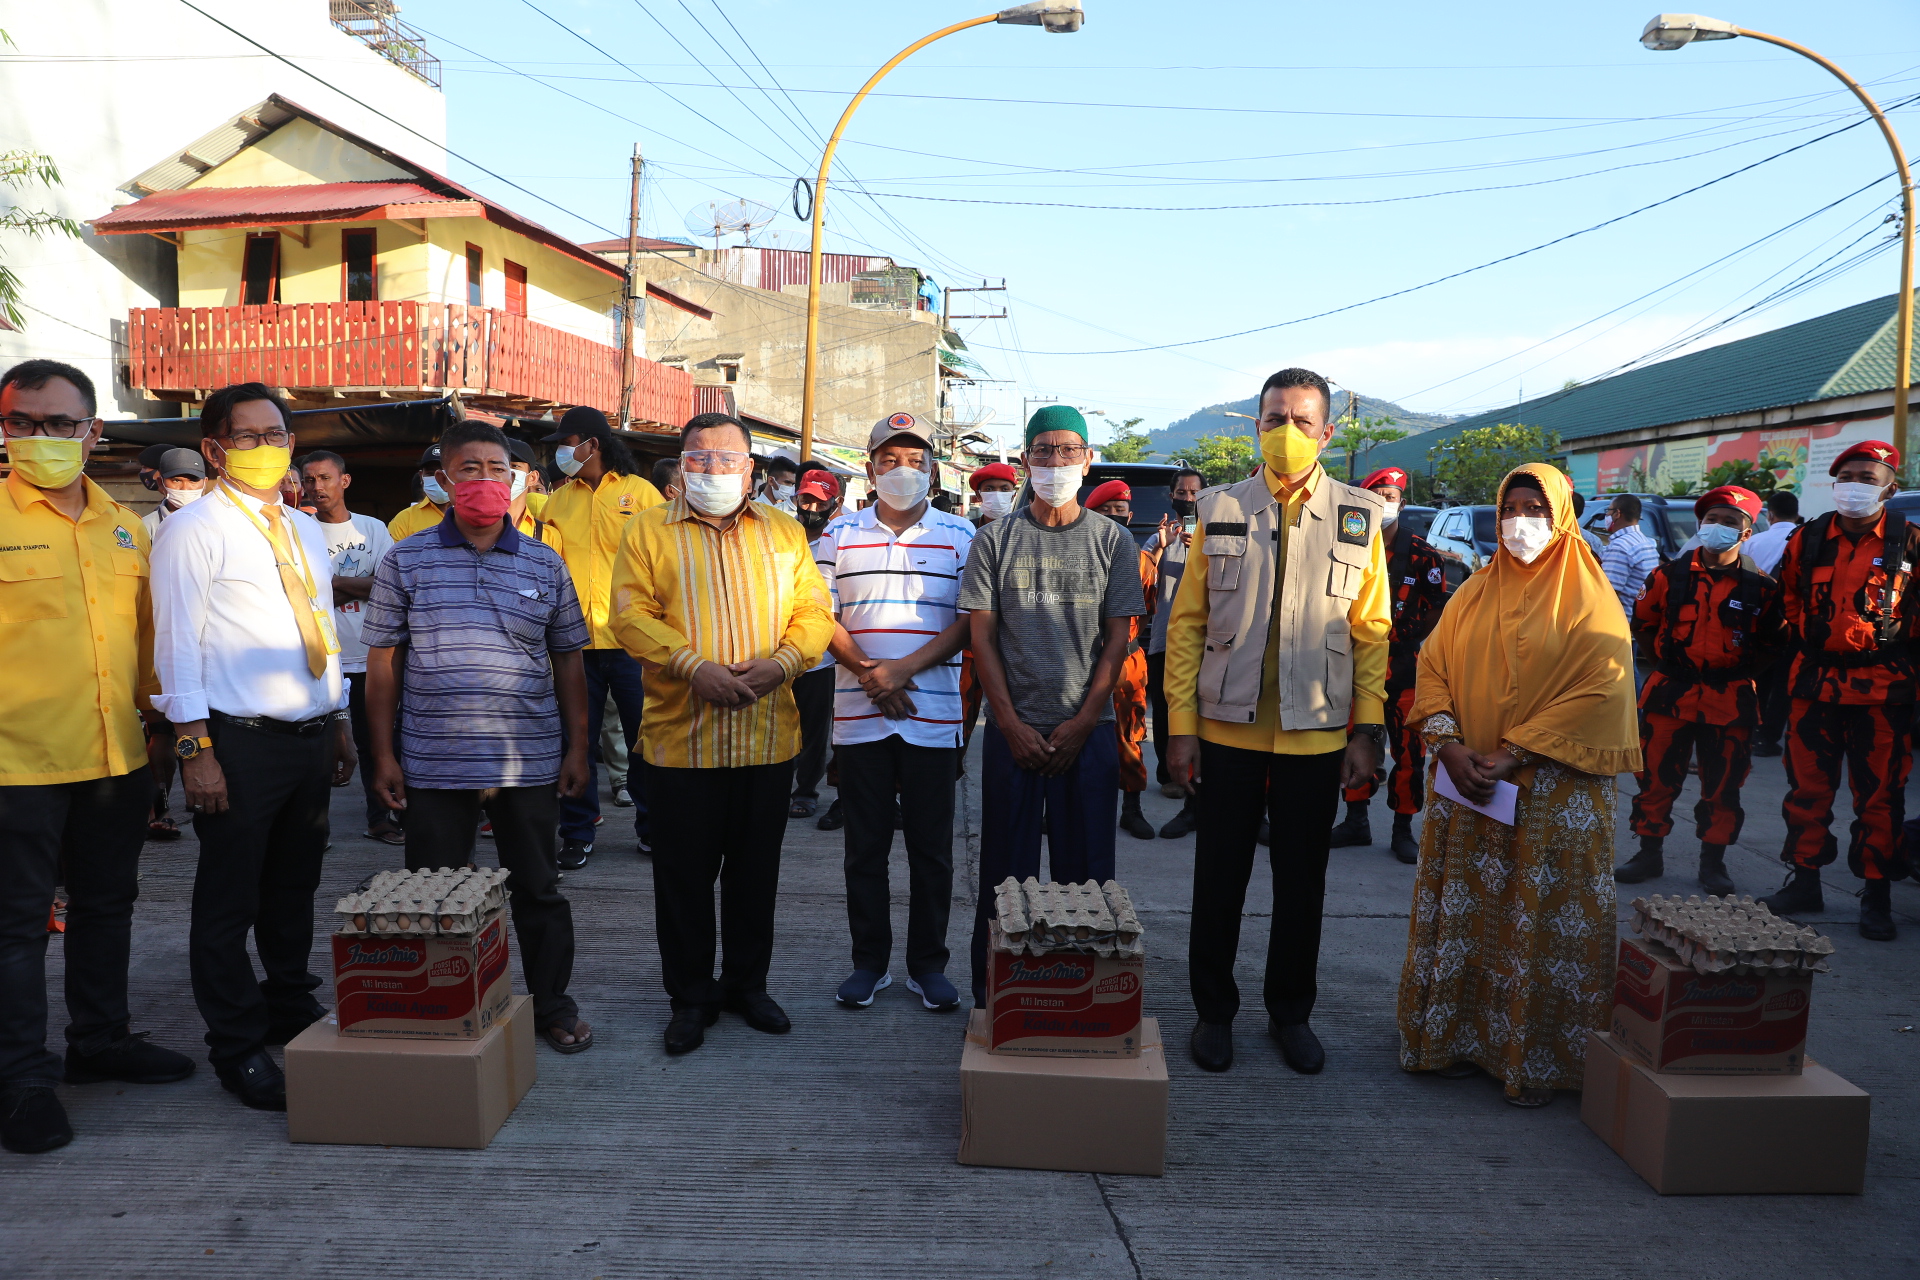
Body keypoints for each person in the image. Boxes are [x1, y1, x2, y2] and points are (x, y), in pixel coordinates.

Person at [1163, 368, 1389, 1076]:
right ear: (1255, 427)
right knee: (1218, 880)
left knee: (1302, 886)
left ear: (1327, 431)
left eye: (1300, 420)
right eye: (1272, 418)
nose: (1285, 432)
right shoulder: (1221, 507)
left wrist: (1367, 730)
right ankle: (1214, 1013)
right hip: (1227, 731)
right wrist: (1179, 726)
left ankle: (1291, 1013)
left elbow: (1371, 630)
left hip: (1316, 735)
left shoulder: (1360, 515)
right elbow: (1188, 625)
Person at [1397, 463, 1639, 1107]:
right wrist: (1447, 744)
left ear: (1560, 515)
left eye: (1534, 509)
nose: (1518, 523)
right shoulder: (1475, 590)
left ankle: (1536, 1058)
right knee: (1472, 915)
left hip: (1551, 796)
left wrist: (1515, 753)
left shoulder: (1592, 598)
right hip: (1469, 786)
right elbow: (1432, 664)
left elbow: (1601, 687)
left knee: (1541, 921)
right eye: (1509, 509)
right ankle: (1453, 1040)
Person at [0, 360, 195, 1156]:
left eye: (60, 424)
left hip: (115, 758)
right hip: (15, 765)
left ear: (93, 431)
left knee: (107, 907)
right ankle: (19, 1078)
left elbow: (147, 644)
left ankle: (100, 1040)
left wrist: (163, 732)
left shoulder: (126, 522)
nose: (43, 439)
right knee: (15, 929)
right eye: (25, 424)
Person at [150, 382, 356, 1112]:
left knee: (292, 886)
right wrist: (193, 749)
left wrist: (335, 720)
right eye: (248, 436)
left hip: (305, 736)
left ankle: (285, 1001)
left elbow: (322, 629)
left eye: (277, 435)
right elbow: (174, 645)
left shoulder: (301, 529)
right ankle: (236, 1047)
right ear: (214, 448)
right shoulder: (195, 529)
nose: (266, 448)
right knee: (228, 899)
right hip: (235, 742)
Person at [362, 421, 596, 1053]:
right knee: (435, 895)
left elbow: (570, 660)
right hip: (434, 761)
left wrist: (578, 748)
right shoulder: (405, 559)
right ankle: (447, 1005)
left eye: (498, 468)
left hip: (529, 759)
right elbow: (383, 662)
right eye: (471, 468)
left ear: (516, 478)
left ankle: (552, 1002)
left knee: (539, 891)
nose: (486, 480)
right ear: (443, 479)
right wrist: (381, 755)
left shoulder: (546, 564)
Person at [609, 411, 834, 1054]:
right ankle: (690, 997)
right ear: (682, 467)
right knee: (681, 881)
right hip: (682, 742)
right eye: (699, 460)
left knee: (755, 875)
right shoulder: (648, 532)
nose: (712, 471)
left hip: (767, 740)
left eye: (726, 460)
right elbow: (629, 614)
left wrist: (784, 663)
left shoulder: (786, 533)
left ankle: (746, 985)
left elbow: (813, 611)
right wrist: (692, 666)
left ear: (751, 469)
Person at [957, 405, 1145, 1008]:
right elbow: (981, 635)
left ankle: (1080, 1000)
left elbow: (1117, 638)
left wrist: (1086, 719)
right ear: (1025, 460)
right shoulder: (995, 539)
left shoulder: (1113, 541)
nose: (1055, 461)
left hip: (1089, 733)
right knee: (1002, 876)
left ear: (1088, 460)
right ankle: (997, 999)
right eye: (1043, 450)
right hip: (1012, 732)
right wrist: (1006, 722)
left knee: (1086, 878)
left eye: (1068, 450)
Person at [819, 414, 974, 1011]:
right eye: (888, 459)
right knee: (865, 849)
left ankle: (927, 965)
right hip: (861, 718)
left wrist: (902, 671)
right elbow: (819, 616)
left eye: (913, 460)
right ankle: (869, 963)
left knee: (933, 851)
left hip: (933, 719)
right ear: (869, 468)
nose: (901, 470)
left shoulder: (962, 535)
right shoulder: (838, 535)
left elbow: (970, 620)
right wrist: (869, 674)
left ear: (932, 471)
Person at [1760, 442, 1920, 941]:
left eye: (1867, 478)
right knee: (1807, 792)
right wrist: (1810, 633)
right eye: (1847, 476)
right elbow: (1786, 594)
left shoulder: (1910, 542)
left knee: (1880, 797)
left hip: (1882, 691)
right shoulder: (1807, 539)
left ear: (1889, 487)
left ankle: (1877, 896)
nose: (1855, 485)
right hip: (1814, 685)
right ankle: (1805, 882)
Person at [1614, 486, 1782, 898]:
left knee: (1723, 785)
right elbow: (1644, 625)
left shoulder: (1761, 587)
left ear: (1746, 533)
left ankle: (1713, 863)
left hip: (1730, 698)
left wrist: (1734, 671)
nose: (1718, 528)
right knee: (1654, 778)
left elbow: (1772, 645)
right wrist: (1672, 665)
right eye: (1712, 520)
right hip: (1670, 692)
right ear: (1700, 524)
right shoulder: (1667, 576)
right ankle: (1649, 853)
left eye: (1730, 523)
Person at [540, 405, 666, 868]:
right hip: (574, 645)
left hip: (635, 644)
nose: (561, 453)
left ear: (593, 444)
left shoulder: (644, 494)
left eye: (566, 443)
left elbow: (664, 565)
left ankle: (654, 829)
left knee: (644, 739)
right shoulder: (557, 500)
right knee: (577, 741)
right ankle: (577, 832)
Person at [1331, 466, 1449, 863]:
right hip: (1353, 662)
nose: (1385, 501)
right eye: (1378, 493)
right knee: (1351, 740)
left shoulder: (1423, 554)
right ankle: (1355, 820)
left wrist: (1409, 638)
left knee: (1409, 751)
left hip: (1402, 666)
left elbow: (1436, 607)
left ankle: (1402, 828)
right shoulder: (1345, 547)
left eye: (1392, 495)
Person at [297, 450, 400, 845]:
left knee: (378, 744)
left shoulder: (373, 529)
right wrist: (350, 584)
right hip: (321, 659)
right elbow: (300, 593)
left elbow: (387, 586)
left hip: (370, 655)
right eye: (309, 480)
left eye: (324, 478)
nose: (316, 487)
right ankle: (313, 827)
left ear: (345, 481)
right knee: (320, 748)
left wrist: (330, 584)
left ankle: (382, 819)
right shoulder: (300, 529)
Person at [1086, 478, 1157, 841]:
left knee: (1130, 735)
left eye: (1119, 511)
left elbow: (1146, 612)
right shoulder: (1075, 555)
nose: (1113, 517)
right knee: (1071, 736)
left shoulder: (1143, 562)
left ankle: (1132, 809)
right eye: (1105, 511)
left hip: (1127, 664)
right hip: (1080, 663)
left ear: (1130, 516)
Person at [1144, 468, 1204, 838]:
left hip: (1204, 639)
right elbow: (1143, 578)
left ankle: (1197, 774)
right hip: (1165, 636)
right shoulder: (1160, 536)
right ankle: (1169, 775)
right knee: (1165, 708)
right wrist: (1162, 545)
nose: (1187, 497)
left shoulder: (1212, 533)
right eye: (1181, 491)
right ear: (1172, 496)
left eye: (1194, 491)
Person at [789, 467, 844, 821]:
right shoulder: (781, 534)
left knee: (814, 728)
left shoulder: (838, 540)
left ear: (833, 504)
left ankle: (806, 790)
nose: (810, 505)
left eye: (818, 500)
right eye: (805, 497)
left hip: (822, 655)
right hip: (776, 649)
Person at [1748, 490, 1801, 757]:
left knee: (1759, 674)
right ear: (1796, 513)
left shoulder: (1755, 541)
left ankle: (1753, 729)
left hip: (1758, 617)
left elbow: (1743, 580)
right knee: (1783, 682)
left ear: (1770, 514)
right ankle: (1769, 736)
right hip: (1794, 619)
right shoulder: (1807, 538)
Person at [140, 447, 206, 540]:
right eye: (176, 481)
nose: (185, 488)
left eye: (193, 481)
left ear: (205, 482)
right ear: (160, 482)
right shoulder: (146, 527)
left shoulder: (221, 520)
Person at [386, 444, 449, 541]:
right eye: (430, 473)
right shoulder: (404, 520)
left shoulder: (472, 513)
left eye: (444, 472)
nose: (438, 478)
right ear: (421, 476)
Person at [969, 461, 1019, 526]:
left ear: (1013, 496)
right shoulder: (967, 529)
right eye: (989, 489)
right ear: (978, 495)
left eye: (1004, 489)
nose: (997, 495)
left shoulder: (1024, 531)